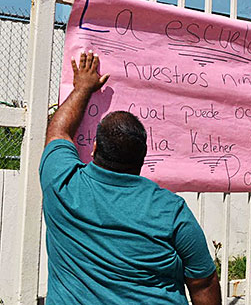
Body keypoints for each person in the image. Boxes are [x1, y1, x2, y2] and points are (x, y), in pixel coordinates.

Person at [40, 51, 221, 304]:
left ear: (93, 148)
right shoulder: (171, 211)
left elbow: (58, 131)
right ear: (142, 159)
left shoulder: (62, 185)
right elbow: (203, 282)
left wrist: (83, 88)